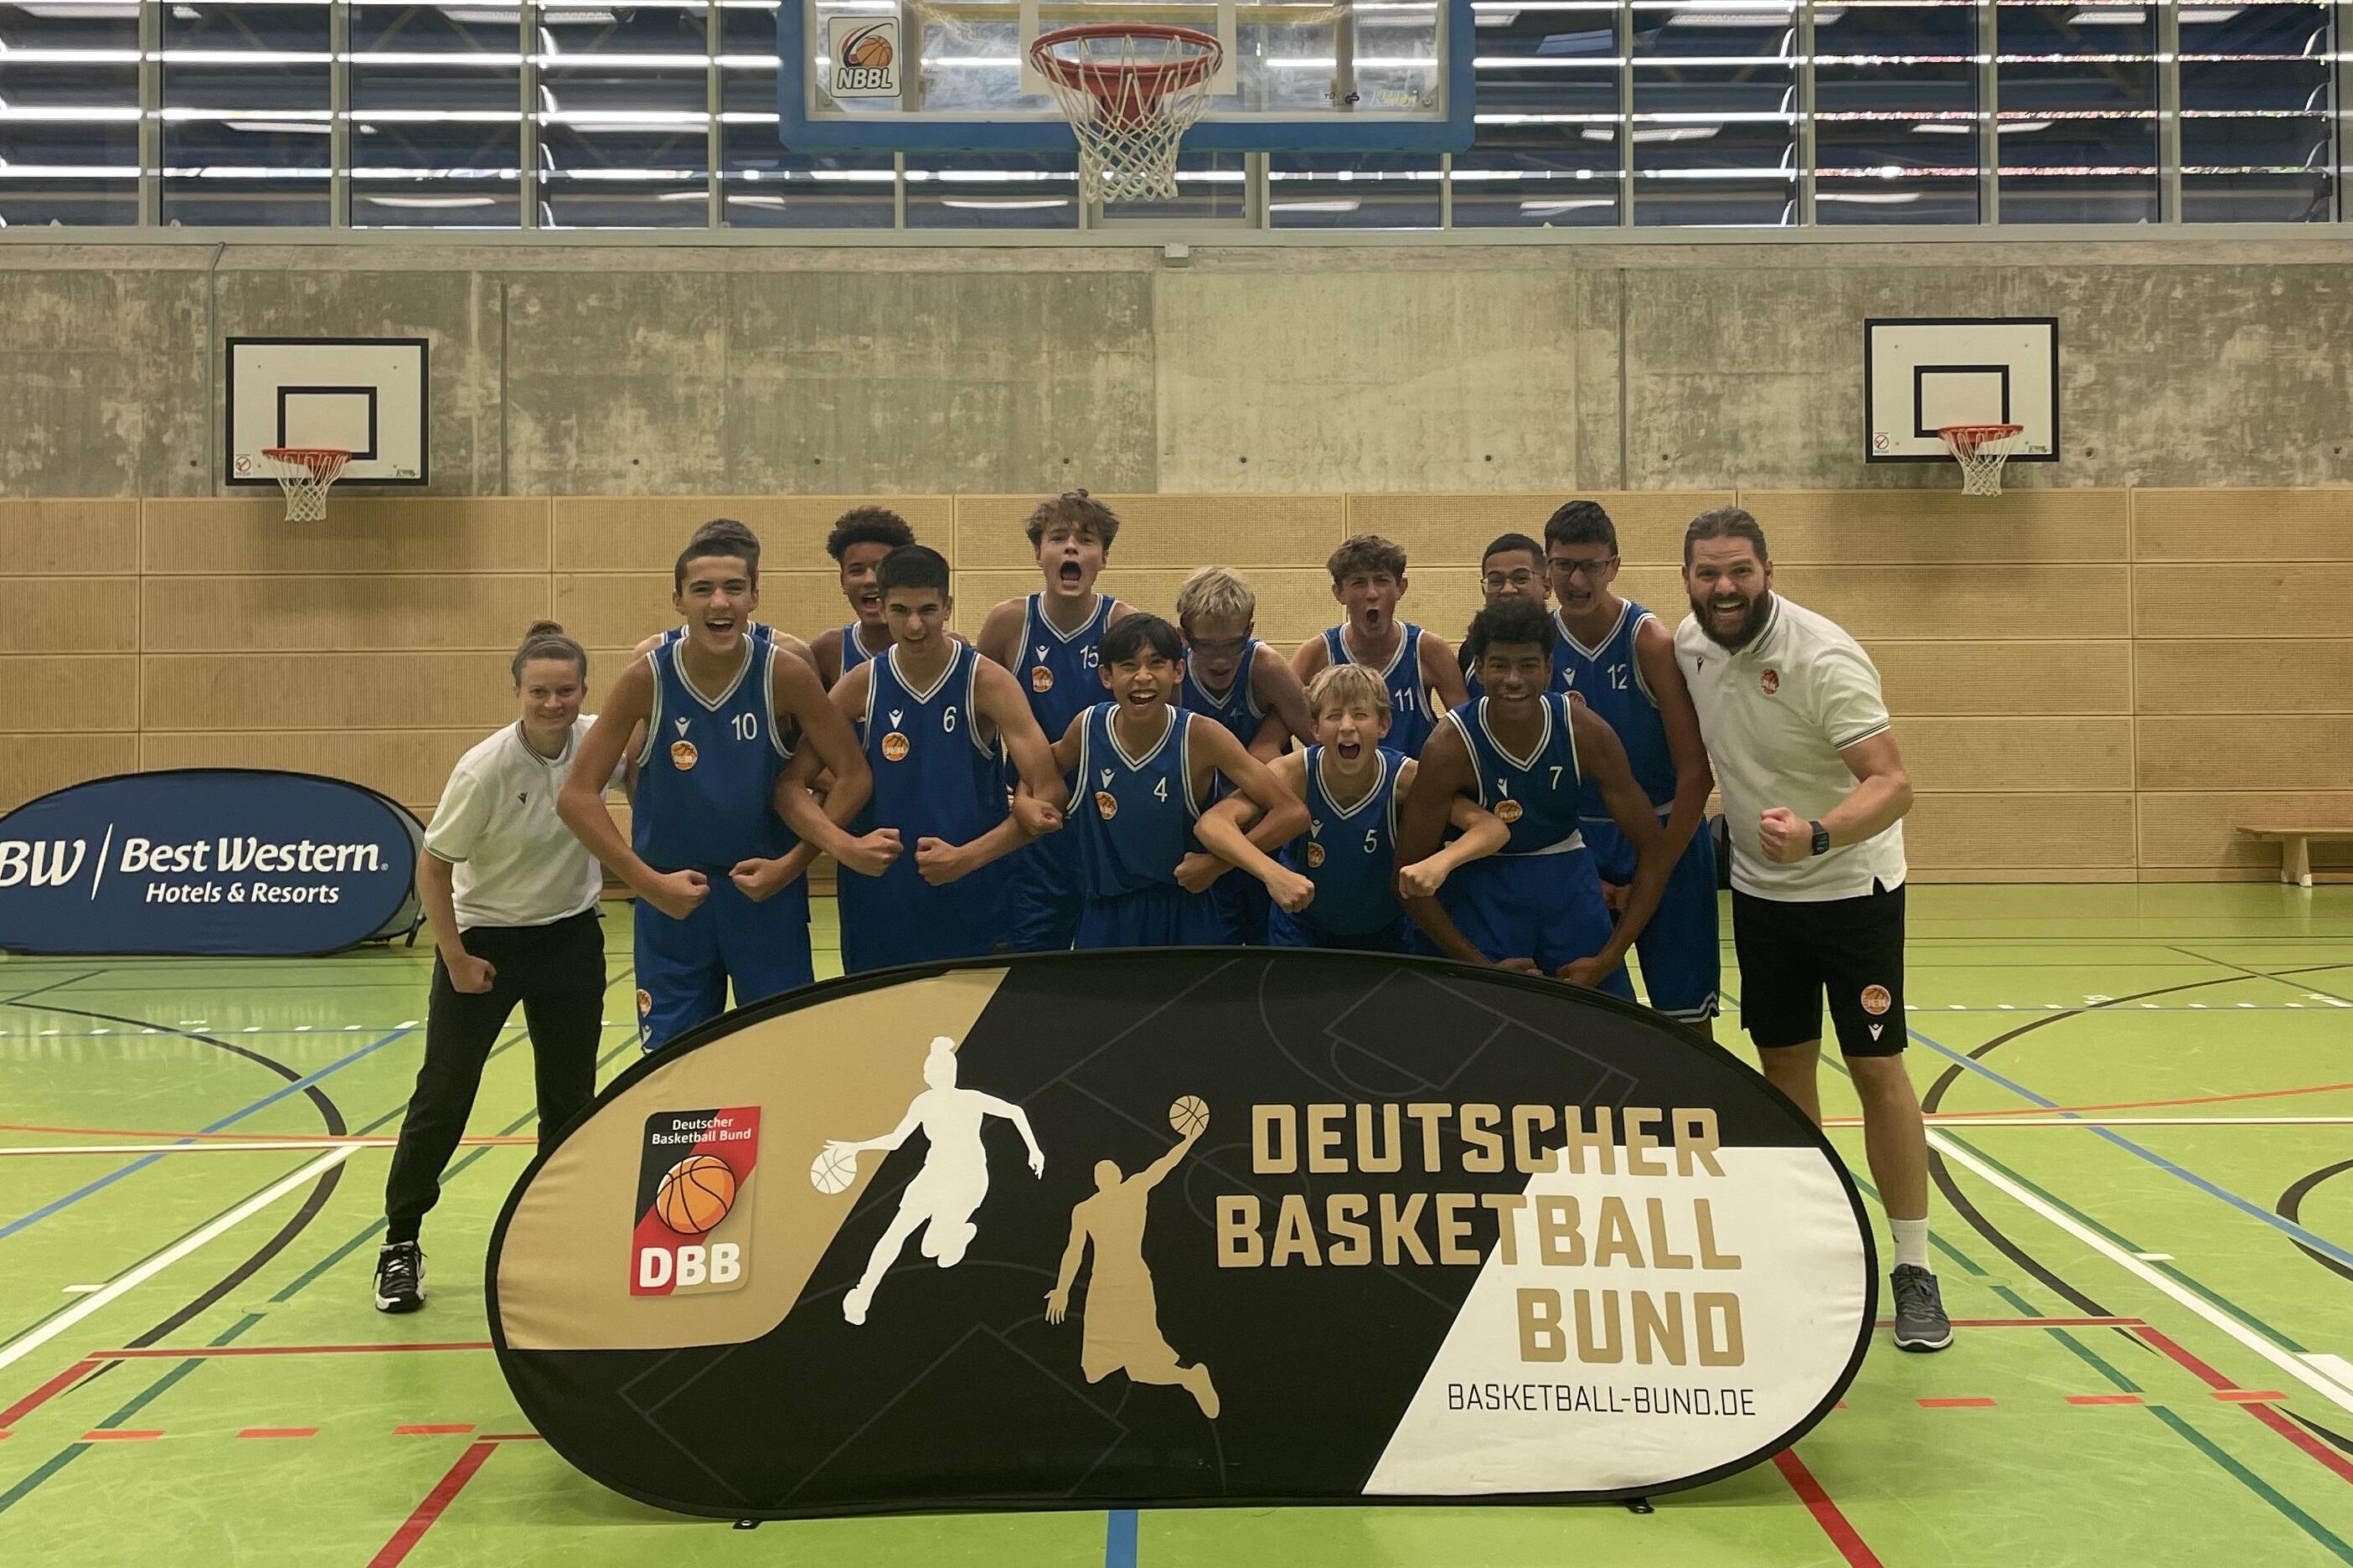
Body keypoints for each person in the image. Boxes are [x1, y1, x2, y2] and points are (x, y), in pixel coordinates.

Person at [1674, 503, 1948, 1354]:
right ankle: (1814, 1247)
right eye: (1708, 573)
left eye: (1739, 572)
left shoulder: (1821, 655)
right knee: (1783, 1066)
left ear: (1767, 572)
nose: (1723, 588)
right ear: (1688, 578)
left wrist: (1820, 834)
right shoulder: (1687, 644)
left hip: (1852, 888)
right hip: (1761, 897)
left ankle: (1912, 1265)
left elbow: (1893, 783)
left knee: (1876, 1068)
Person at [560, 524, 895, 1051]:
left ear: (754, 597)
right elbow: (576, 795)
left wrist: (792, 864)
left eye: (734, 588)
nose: (720, 601)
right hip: (672, 903)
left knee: (782, 1057)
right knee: (673, 1068)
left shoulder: (785, 672)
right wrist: (644, 882)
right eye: (703, 590)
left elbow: (853, 775)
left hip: (765, 896)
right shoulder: (646, 677)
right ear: (678, 601)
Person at [377, 622, 618, 1313]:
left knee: (569, 1102)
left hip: (570, 941)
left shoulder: (597, 743)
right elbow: (435, 862)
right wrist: (453, 955)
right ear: (517, 692)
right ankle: (400, 1243)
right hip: (486, 943)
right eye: (539, 692)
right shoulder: (483, 769)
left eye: (565, 690)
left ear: (582, 691)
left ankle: (554, 1241)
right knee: (444, 1096)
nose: (553, 704)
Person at [807, 544, 1068, 972]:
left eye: (927, 609)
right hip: (878, 903)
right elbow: (791, 786)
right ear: (882, 609)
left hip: (973, 899)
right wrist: (846, 846)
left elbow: (1050, 795)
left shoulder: (986, 681)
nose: (914, 625)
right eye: (900, 610)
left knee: (969, 1034)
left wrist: (969, 857)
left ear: (948, 606)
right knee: (879, 1031)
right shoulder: (860, 684)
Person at [1393, 599, 1669, 997]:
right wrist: (1479, 965)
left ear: (1549, 668)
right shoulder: (1450, 746)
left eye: (1528, 665)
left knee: (1601, 1032)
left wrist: (1609, 957)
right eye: (1500, 664)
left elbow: (1655, 853)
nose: (1514, 679)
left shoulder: (1585, 733)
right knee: (1489, 1035)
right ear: (1481, 669)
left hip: (1568, 884)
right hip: (1482, 887)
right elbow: (1406, 873)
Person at [1543, 500, 1721, 1034]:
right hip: (1576, 845)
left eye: (1591, 566)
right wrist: (1577, 863)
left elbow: (1697, 774)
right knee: (1583, 1006)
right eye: (1563, 565)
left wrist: (1656, 863)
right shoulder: (1537, 648)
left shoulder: (1650, 642)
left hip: (1666, 833)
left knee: (1686, 1018)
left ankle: (1695, 1113)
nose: (1577, 579)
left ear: (1614, 566)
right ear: (1547, 567)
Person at [1200, 663, 1508, 954]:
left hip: (1385, 933)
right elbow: (1213, 823)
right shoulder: (1295, 773)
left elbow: (1492, 828)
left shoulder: (1405, 777)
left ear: (1383, 725)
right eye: (1334, 716)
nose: (1347, 727)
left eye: (1360, 715)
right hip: (1302, 930)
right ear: (1315, 729)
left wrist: (1441, 863)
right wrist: (1272, 873)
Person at [1049, 613, 1311, 947]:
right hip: (1107, 913)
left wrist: (1217, 864)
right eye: (1128, 666)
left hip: (1189, 909)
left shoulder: (1201, 735)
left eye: (1156, 664)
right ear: (1106, 676)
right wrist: (1028, 798)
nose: (1143, 677)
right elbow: (1039, 771)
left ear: (1178, 671)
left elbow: (1291, 812)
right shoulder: (1087, 729)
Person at [975, 491, 1143, 952]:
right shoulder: (1009, 623)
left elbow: (1158, 728)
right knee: (1029, 963)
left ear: (1104, 557)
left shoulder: (1124, 625)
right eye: (1058, 537)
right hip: (1031, 822)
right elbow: (978, 733)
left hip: (1106, 821)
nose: (1071, 547)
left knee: (1106, 970)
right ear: (1038, 553)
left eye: (1086, 540)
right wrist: (1008, 800)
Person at [823, 1035, 1044, 1327]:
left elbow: (895, 1141)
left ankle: (957, 1234)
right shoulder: (941, 1101)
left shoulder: (944, 1100)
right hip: (939, 1175)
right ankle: (863, 1294)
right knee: (904, 1237)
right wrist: (1033, 1149)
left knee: (921, 1245)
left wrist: (856, 1147)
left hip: (965, 1177)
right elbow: (1016, 1111)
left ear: (928, 1074)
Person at [1045, 1101, 1220, 1419]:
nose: (1105, 1175)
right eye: (1102, 1173)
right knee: (1093, 1371)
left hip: (1130, 1282)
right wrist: (1062, 1290)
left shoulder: (1133, 1191)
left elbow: (1165, 1164)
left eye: (1108, 1172)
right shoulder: (1086, 1209)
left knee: (1141, 1366)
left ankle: (1190, 1377)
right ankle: (1187, 1377)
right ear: (1099, 1180)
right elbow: (1073, 1252)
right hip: (1103, 1287)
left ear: (1116, 1177)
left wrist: (1189, 1141)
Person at [1174, 566, 1314, 944]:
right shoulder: (1171, 672)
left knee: (1266, 949)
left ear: (1249, 631)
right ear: (1183, 634)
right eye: (1206, 645)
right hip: (1199, 833)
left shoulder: (1264, 667)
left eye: (1231, 645)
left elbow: (1321, 746)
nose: (1220, 660)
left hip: (1263, 830)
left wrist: (1274, 738)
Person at [1292, 534, 1468, 759]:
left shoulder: (1428, 650)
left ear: (1401, 587)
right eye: (1359, 583)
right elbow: (1271, 742)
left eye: (1382, 581)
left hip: (1413, 790)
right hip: (1344, 791)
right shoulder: (1316, 655)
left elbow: (1468, 735)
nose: (1372, 594)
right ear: (1339, 592)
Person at [812, 506, 920, 689]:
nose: (869, 580)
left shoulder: (944, 648)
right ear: (843, 580)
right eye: (857, 571)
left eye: (880, 569)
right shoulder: (828, 651)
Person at [1463, 532, 1550, 701]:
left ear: (1547, 584)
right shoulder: (1470, 652)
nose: (1507, 589)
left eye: (1521, 579)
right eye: (1496, 581)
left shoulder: (1569, 643)